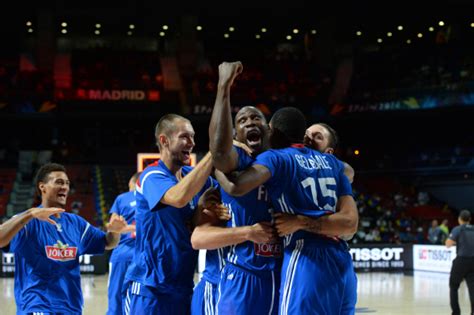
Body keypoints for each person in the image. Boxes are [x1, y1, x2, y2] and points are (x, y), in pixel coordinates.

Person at [217, 106, 359, 315]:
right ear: (302, 135)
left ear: (271, 131)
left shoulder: (277, 158)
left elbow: (236, 187)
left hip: (305, 257)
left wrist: (216, 164)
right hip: (342, 261)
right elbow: (350, 222)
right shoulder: (334, 164)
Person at [192, 61, 280, 315]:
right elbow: (198, 238)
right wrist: (248, 232)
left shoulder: (281, 163)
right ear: (235, 136)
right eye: (242, 120)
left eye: (256, 118)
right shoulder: (236, 163)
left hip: (276, 276)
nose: (250, 122)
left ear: (269, 128)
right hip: (231, 279)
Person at [0, 162, 129, 315]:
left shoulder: (76, 223)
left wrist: (115, 232)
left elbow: (108, 243)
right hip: (36, 306)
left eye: (67, 183)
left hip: (71, 308)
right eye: (59, 182)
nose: (65, 187)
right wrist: (30, 214)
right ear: (43, 187)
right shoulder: (28, 221)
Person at [124, 114, 218, 315]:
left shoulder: (193, 177)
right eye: (185, 136)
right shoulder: (151, 175)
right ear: (164, 141)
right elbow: (178, 197)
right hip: (150, 288)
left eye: (193, 137)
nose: (192, 143)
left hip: (183, 287)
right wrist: (213, 152)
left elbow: (228, 192)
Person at [106, 171, 141, 315]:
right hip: (144, 254)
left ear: (131, 183)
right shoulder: (153, 199)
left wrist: (127, 228)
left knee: (115, 294)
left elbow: (112, 226)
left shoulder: (121, 198)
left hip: (122, 253)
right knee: (140, 295)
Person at [446, 209, 474, 315]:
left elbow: (448, 244)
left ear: (459, 219)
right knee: (472, 288)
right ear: (470, 219)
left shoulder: (458, 229)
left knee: (453, 286)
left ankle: (456, 312)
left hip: (461, 261)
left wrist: (457, 241)